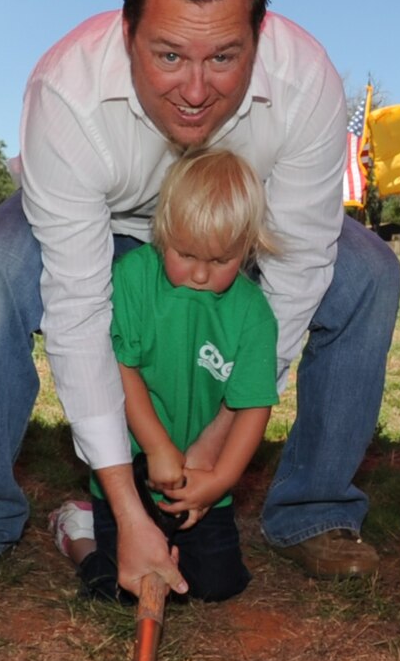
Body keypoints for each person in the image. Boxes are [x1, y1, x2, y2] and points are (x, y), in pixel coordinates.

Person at [0, 0, 400, 603]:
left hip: (233, 234)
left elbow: (297, 271)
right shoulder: (67, 89)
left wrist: (221, 434)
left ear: (258, 41)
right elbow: (81, 309)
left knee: (369, 275)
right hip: (102, 231)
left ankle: (313, 507)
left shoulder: (309, 84)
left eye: (224, 58)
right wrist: (125, 500)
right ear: (127, 36)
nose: (197, 89)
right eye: (169, 56)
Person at [49, 148, 280, 603]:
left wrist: (219, 481)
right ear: (161, 231)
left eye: (220, 261)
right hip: (133, 471)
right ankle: (77, 534)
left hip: (202, 481)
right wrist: (155, 446)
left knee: (214, 587)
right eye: (186, 253)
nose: (199, 273)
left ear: (248, 248)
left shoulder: (254, 314)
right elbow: (122, 370)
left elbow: (253, 406)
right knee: (118, 588)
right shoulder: (132, 279)